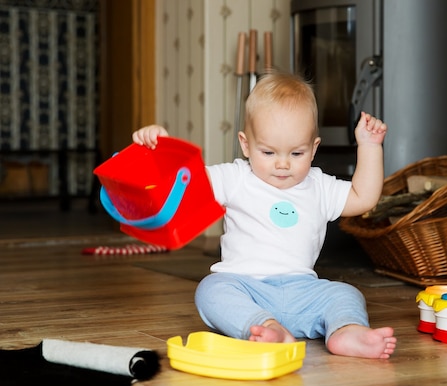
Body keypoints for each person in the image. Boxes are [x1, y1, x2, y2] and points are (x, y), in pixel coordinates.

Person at [132, 71, 396, 359]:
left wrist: (370, 148)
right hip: (244, 287)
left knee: (345, 294)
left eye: (296, 154)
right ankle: (265, 329)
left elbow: (363, 197)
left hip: (302, 292)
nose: (282, 164)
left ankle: (346, 331)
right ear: (246, 145)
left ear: (313, 148)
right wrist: (160, 149)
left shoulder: (319, 185)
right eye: (268, 153)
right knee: (210, 291)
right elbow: (185, 185)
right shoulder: (234, 177)